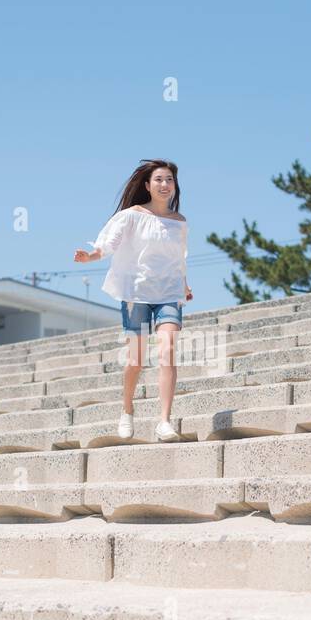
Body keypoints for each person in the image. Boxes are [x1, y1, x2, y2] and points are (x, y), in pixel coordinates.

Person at [73, 158, 192, 442]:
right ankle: (127, 408)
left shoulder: (179, 222)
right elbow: (109, 244)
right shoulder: (132, 215)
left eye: (170, 180)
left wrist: (184, 285)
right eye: (159, 180)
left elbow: (180, 258)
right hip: (136, 293)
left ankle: (164, 421)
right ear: (148, 185)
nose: (165, 185)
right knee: (136, 361)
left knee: (167, 352)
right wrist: (91, 256)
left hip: (169, 293)